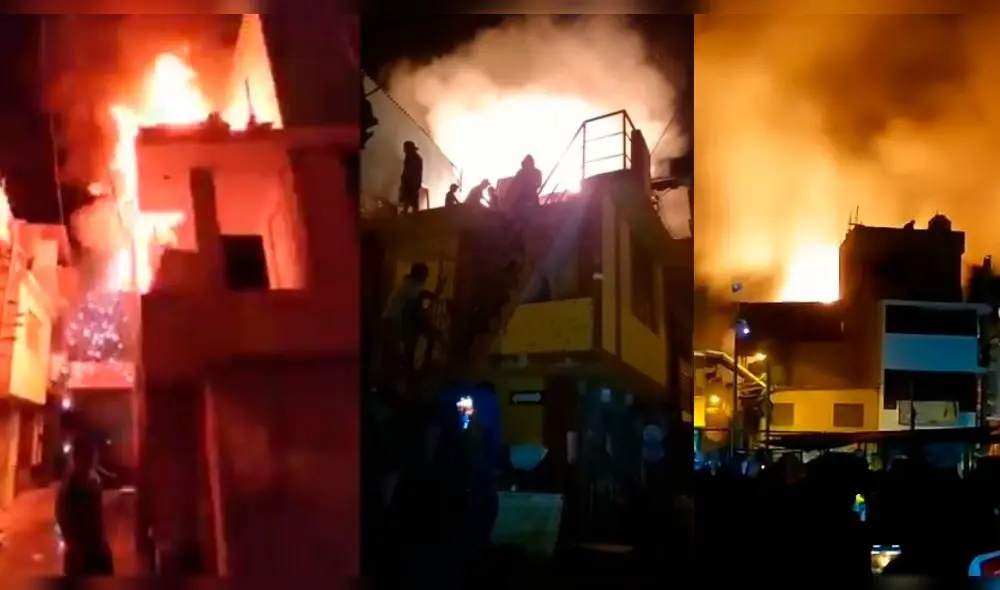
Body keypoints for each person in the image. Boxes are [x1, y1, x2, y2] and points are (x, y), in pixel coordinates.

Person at [56, 434, 113, 576]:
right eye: (87, 456)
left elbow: (98, 517)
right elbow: (64, 519)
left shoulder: (94, 480)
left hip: (96, 549)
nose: (91, 460)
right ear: (76, 457)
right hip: (81, 555)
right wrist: (76, 547)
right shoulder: (71, 487)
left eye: (92, 456)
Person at [380, 263, 444, 382]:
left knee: (394, 356)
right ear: (420, 274)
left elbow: (426, 298)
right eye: (425, 275)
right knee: (393, 357)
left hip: (392, 322)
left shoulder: (409, 285)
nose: (426, 278)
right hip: (391, 322)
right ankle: (390, 385)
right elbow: (424, 298)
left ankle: (392, 383)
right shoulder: (412, 286)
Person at [399, 141, 423, 214]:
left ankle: (407, 211)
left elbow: (409, 170)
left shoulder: (411, 157)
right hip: (413, 182)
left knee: (409, 196)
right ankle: (413, 211)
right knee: (412, 197)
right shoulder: (416, 157)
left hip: (411, 182)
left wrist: (404, 179)